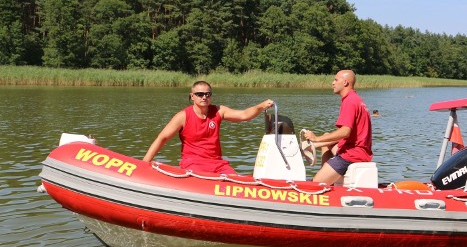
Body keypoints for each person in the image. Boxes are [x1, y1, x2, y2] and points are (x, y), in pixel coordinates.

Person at [143, 80, 273, 174]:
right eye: (200, 94)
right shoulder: (182, 116)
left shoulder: (218, 111)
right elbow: (162, 138)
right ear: (192, 96)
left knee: (236, 184)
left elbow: (244, 115)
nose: (204, 97)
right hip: (193, 164)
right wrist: (143, 164)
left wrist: (260, 106)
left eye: (207, 94)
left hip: (218, 163)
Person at [303, 70, 373, 184]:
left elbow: (345, 132)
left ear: (345, 82)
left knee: (315, 185)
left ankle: (322, 183)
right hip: (361, 151)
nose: (333, 83)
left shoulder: (349, 101)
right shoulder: (356, 99)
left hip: (351, 155)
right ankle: (326, 176)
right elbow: (348, 135)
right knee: (327, 137)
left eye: (336, 80)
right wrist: (315, 145)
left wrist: (316, 139)